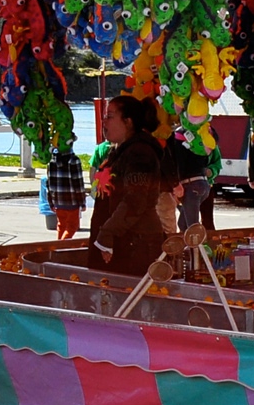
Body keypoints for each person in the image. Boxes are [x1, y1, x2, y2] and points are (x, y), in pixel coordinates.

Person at [88, 95, 166, 278]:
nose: (104, 121)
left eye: (110, 116)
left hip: (134, 246)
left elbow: (135, 200)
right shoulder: (120, 152)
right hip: (121, 243)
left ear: (128, 122)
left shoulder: (140, 153)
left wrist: (107, 234)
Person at [46, 143, 88, 241]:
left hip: (57, 200)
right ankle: (62, 245)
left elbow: (49, 183)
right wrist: (82, 202)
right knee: (73, 226)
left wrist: (51, 202)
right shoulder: (74, 160)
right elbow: (79, 184)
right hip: (72, 200)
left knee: (62, 225)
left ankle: (58, 246)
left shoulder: (51, 161)